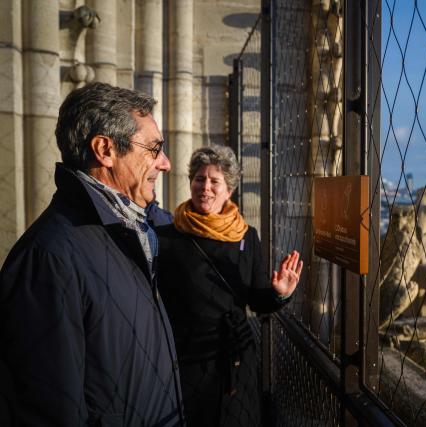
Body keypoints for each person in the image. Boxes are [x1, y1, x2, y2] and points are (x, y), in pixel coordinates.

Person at [0, 82, 184, 426]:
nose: (166, 163)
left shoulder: (126, 229)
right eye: (155, 148)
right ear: (105, 149)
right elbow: (49, 409)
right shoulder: (49, 257)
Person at [156, 145, 303, 426]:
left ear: (230, 190)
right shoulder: (167, 237)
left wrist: (280, 294)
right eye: (199, 179)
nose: (205, 188)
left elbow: (258, 302)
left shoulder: (247, 236)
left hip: (235, 360)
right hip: (185, 359)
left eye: (215, 181)